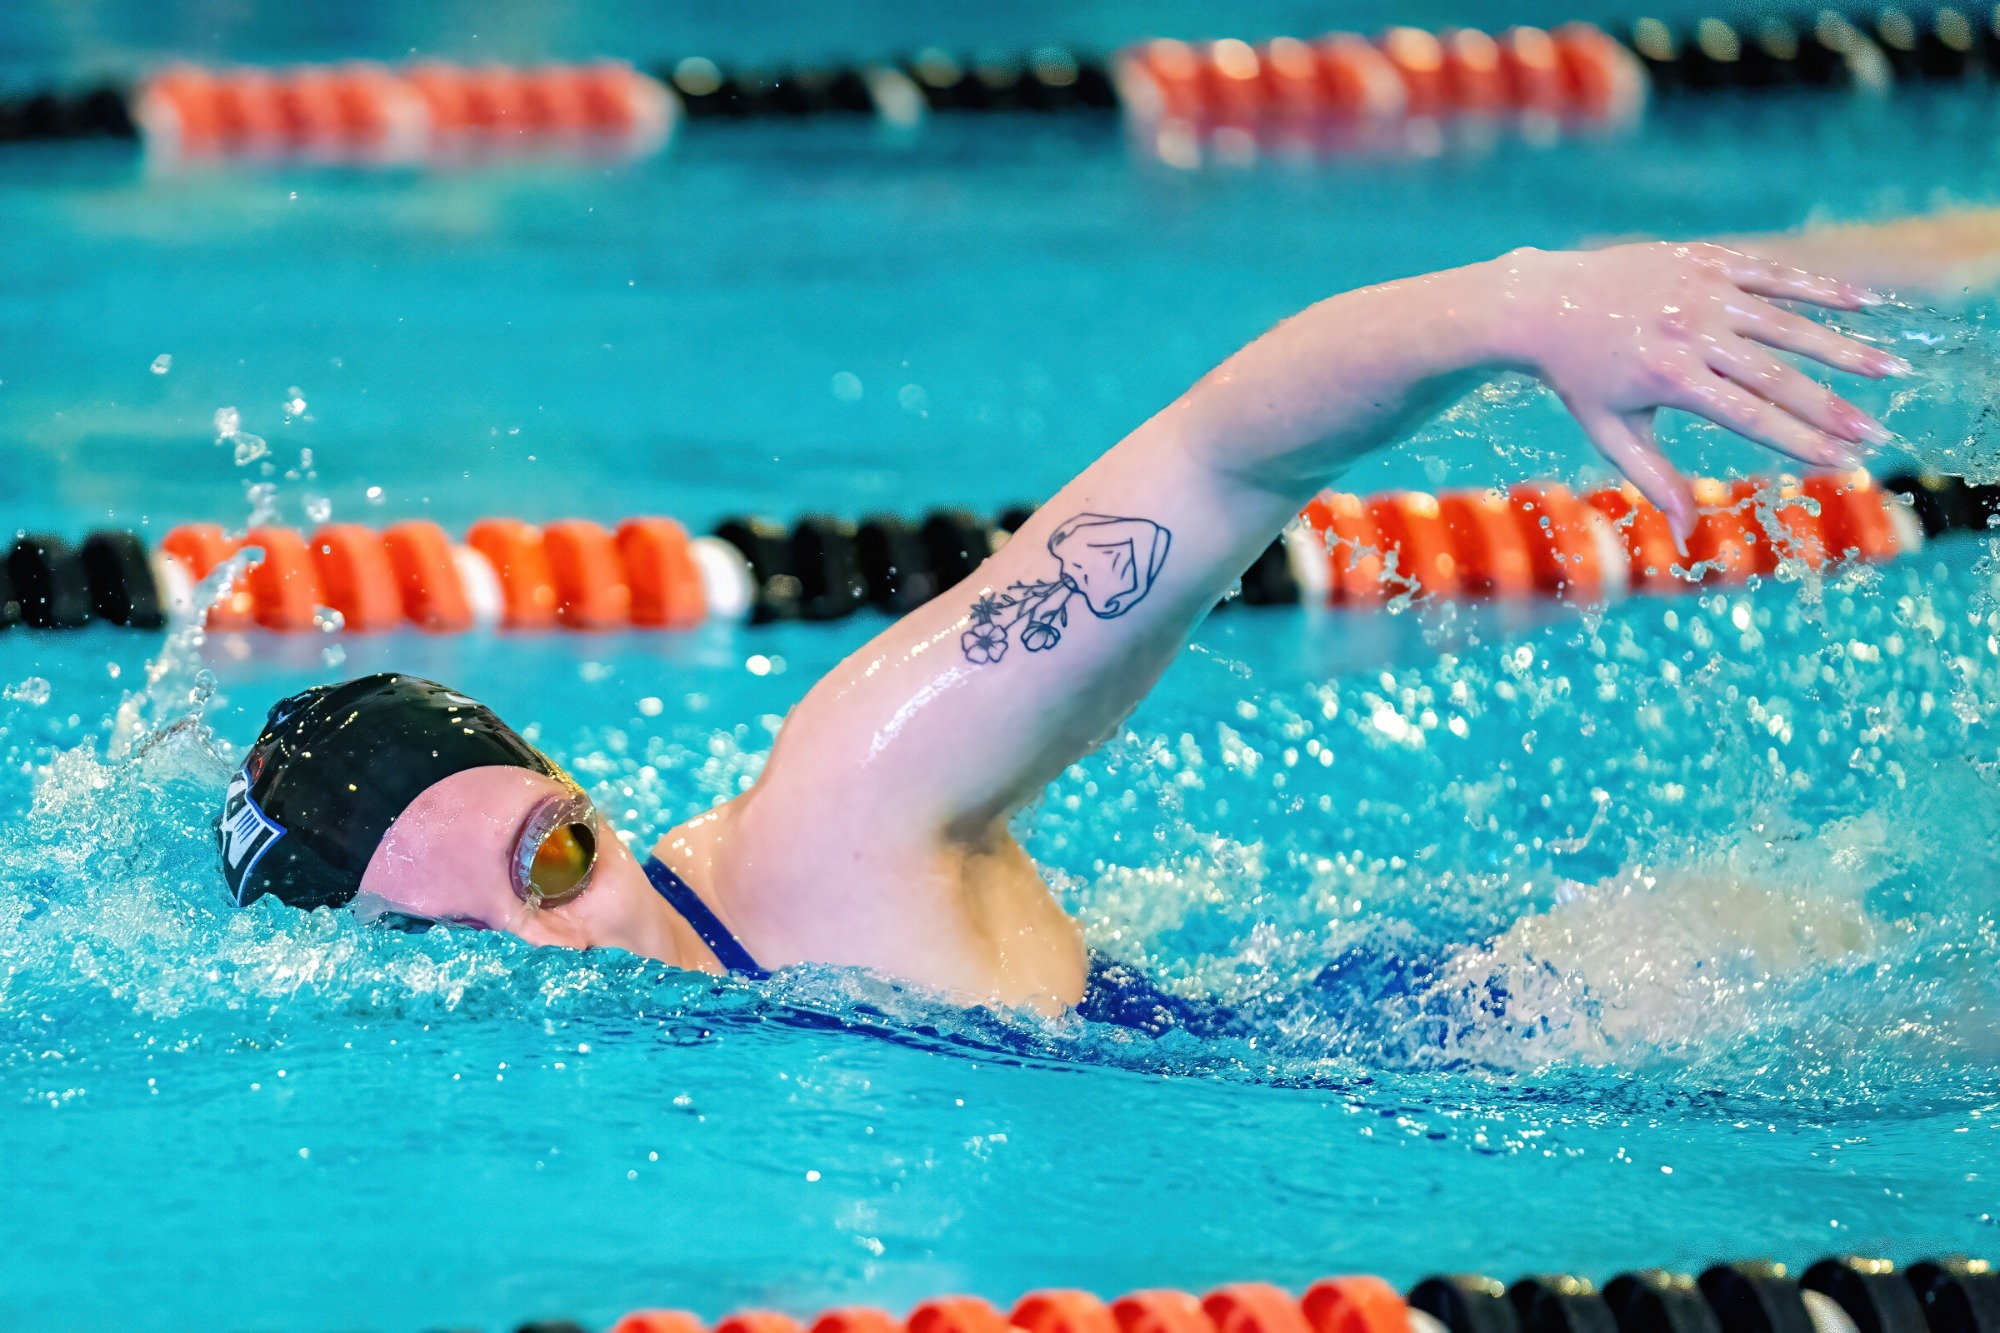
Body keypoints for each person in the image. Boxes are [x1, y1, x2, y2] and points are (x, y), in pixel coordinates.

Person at [218, 242, 1907, 1024]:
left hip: (1584, 1015)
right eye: (449, 957)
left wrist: (1525, 310)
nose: (551, 960)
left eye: (552, 859)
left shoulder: (838, 822)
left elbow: (1222, 452)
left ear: (589, 796)